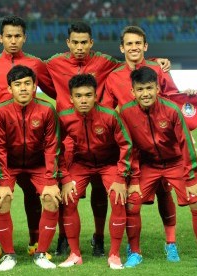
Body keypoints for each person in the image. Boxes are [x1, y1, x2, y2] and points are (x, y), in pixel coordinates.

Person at [45, 21, 172, 257]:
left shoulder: (104, 62)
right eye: (75, 42)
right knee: (66, 193)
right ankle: (64, 238)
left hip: (101, 136)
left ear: (91, 43)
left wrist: (156, 62)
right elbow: (29, 73)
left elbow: (133, 60)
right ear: (68, 43)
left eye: (84, 42)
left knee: (102, 192)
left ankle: (100, 237)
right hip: (70, 137)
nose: (80, 47)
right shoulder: (53, 63)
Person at [0, 14, 56, 260]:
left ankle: (34, 240)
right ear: (0, 38)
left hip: (33, 140)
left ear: (24, 37)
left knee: (33, 196)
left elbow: (55, 91)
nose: (13, 40)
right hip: (1, 141)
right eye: (8, 36)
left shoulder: (36, 64)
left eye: (18, 36)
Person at [103, 25, 189, 262]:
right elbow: (107, 111)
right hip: (134, 149)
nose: (133, 47)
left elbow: (172, 97)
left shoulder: (156, 69)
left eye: (137, 43)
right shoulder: (112, 77)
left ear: (145, 46)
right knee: (133, 200)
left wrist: (187, 96)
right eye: (129, 44)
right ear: (122, 48)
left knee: (165, 194)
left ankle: (170, 243)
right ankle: (133, 249)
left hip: (163, 144)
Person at [119, 66, 197, 272]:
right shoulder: (126, 112)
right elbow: (130, 148)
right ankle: (135, 252)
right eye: (140, 89)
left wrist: (191, 179)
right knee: (132, 203)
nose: (145, 93)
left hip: (175, 164)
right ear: (133, 92)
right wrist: (134, 180)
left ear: (157, 89)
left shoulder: (171, 110)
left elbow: (186, 145)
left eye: (149, 88)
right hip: (148, 166)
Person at [0, 65, 64, 271]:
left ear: (34, 87)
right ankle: (9, 255)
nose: (23, 88)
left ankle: (41, 253)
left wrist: (51, 181)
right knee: (3, 199)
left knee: (51, 199)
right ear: (9, 89)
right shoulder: (0, 111)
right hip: (11, 166)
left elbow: (52, 146)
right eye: (17, 85)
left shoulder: (47, 109)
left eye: (27, 84)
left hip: (38, 165)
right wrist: (4, 182)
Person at [57, 74, 132, 269]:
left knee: (117, 197)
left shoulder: (110, 116)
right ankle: (75, 254)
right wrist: (65, 177)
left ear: (96, 96)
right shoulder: (64, 118)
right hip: (81, 164)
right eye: (78, 96)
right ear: (71, 98)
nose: (83, 100)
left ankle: (114, 254)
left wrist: (121, 177)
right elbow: (54, 148)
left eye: (88, 95)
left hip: (109, 164)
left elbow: (126, 145)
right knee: (69, 198)